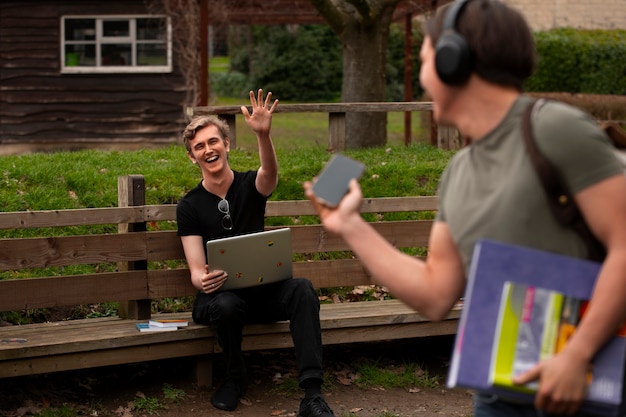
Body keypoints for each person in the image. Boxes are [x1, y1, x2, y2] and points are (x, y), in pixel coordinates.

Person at [304, 1, 626, 416]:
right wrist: (349, 225)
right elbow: (436, 293)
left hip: (585, 388)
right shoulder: (458, 172)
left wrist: (577, 353)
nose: (422, 81)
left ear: (452, 60)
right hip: (497, 396)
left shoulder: (556, 130)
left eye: (423, 62)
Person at [177, 89, 335, 417]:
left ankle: (312, 393)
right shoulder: (189, 206)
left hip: (262, 294)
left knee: (302, 290)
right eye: (200, 147)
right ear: (193, 157)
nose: (208, 150)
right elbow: (195, 268)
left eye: (213, 142)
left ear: (226, 144)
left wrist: (264, 135)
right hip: (221, 299)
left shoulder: (250, 185)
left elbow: (270, 175)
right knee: (225, 303)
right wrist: (201, 279)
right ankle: (235, 378)